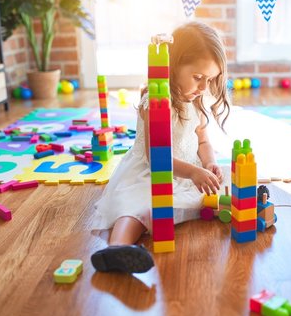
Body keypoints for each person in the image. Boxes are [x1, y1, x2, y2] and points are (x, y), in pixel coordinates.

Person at [91, 21, 231, 273]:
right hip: (152, 173)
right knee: (136, 206)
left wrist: (209, 163)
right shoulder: (155, 102)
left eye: (210, 80)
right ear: (173, 66)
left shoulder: (197, 100)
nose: (203, 88)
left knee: (230, 176)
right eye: (198, 77)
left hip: (189, 171)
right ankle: (116, 249)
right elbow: (156, 159)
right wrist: (192, 172)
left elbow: (202, 140)